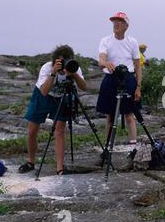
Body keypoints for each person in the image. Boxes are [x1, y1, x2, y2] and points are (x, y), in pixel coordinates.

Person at [18, 45, 87, 175]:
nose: (63, 64)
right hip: (42, 96)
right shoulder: (47, 67)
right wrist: (53, 73)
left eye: (66, 61)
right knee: (32, 130)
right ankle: (31, 162)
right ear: (54, 61)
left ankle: (59, 168)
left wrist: (74, 75)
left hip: (63, 98)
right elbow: (44, 91)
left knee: (59, 131)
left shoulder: (73, 67)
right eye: (60, 61)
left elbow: (84, 87)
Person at [95, 12, 142, 168]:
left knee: (129, 115)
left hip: (128, 78)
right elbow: (101, 59)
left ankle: (133, 149)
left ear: (126, 25)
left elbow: (137, 65)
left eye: (120, 21)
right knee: (109, 116)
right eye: (114, 21)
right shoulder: (105, 40)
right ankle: (107, 149)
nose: (116, 23)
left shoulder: (132, 42)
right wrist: (105, 63)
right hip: (110, 78)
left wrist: (138, 87)